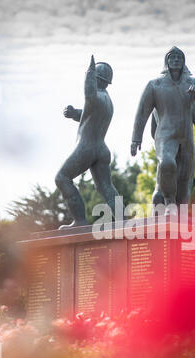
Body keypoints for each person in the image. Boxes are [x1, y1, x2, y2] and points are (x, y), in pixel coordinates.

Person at [131, 46, 195, 211]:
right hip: (165, 135)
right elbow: (142, 113)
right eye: (172, 57)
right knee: (166, 163)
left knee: (185, 181)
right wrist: (136, 139)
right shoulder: (155, 85)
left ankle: (181, 217)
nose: (176, 60)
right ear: (166, 62)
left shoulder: (191, 85)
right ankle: (169, 202)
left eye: (179, 57)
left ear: (184, 62)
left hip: (186, 138)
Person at [55, 55, 122, 229]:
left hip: (87, 147)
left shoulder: (95, 95)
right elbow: (89, 114)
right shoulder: (107, 100)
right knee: (105, 187)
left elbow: (89, 94)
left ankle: (80, 221)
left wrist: (89, 72)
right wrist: (73, 114)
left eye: (93, 77)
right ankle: (123, 219)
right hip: (101, 149)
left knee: (62, 178)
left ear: (96, 79)